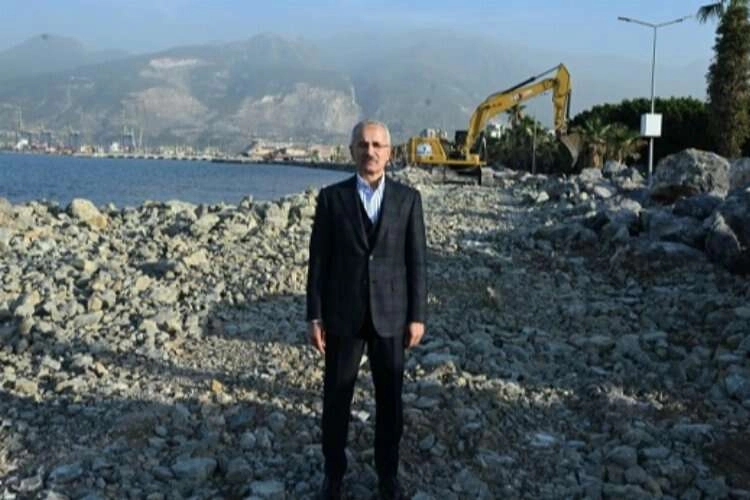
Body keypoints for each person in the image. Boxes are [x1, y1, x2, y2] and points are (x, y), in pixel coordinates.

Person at [306, 119, 427, 500]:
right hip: (343, 315)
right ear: (352, 151)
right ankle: (333, 475)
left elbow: (417, 261)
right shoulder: (332, 198)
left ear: (389, 153)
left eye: (377, 145)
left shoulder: (408, 199)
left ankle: (387, 475)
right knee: (336, 398)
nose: (370, 151)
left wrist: (418, 316)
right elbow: (318, 261)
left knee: (390, 400)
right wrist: (314, 315)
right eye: (362, 144)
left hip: (391, 315)